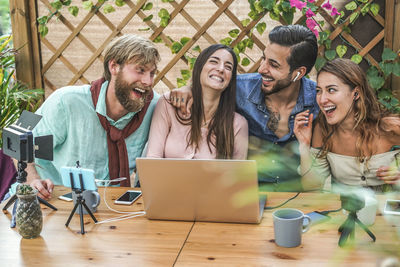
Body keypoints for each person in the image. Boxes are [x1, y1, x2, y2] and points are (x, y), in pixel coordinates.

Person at [170, 25, 319, 191]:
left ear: (298, 73)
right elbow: (209, 84)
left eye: (274, 65)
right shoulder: (240, 88)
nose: (262, 68)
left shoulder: (318, 101)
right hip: (246, 194)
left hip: (294, 198)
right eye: (263, 59)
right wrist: (189, 89)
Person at [22, 34, 160, 200]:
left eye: (152, 73)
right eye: (140, 70)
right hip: (52, 200)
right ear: (114, 66)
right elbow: (18, 135)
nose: (148, 81)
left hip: (115, 206)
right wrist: (32, 180)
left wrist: (186, 92)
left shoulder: (154, 106)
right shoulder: (66, 100)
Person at [294, 58, 400, 192]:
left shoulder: (390, 128)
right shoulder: (323, 130)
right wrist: (304, 146)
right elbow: (312, 186)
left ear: (356, 93)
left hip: (389, 211)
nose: (322, 99)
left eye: (331, 90)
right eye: (319, 91)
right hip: (345, 211)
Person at [146, 44, 248, 159]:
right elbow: (153, 158)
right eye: (214, 62)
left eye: (228, 67)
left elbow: (238, 175)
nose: (221, 69)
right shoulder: (168, 104)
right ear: (200, 67)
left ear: (231, 80)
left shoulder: (238, 124)